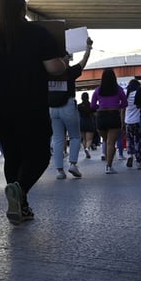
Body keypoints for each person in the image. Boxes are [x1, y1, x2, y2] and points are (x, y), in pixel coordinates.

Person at [0, 0, 66, 225]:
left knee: (12, 155)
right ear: (23, 8)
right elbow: (54, 68)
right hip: (29, 103)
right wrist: (63, 61)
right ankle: (19, 190)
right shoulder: (39, 34)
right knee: (40, 154)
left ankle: (20, 207)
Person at [49, 36, 92, 179]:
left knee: (58, 139)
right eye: (67, 57)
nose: (69, 59)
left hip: (52, 109)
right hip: (68, 106)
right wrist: (88, 48)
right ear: (64, 60)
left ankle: (59, 170)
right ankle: (73, 164)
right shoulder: (70, 72)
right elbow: (83, 62)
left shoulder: (48, 73)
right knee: (74, 136)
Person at [91, 68, 126, 174]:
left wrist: (101, 107)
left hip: (101, 117)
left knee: (107, 141)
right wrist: (116, 106)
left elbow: (92, 105)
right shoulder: (118, 89)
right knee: (111, 143)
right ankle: (109, 166)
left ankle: (109, 161)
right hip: (114, 115)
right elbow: (125, 103)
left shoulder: (98, 90)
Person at [123, 78, 141, 170]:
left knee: (130, 140)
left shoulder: (126, 94)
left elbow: (123, 108)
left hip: (128, 121)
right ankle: (138, 161)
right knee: (139, 141)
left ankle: (130, 155)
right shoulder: (139, 93)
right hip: (138, 121)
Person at [77, 91, 96, 159]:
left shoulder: (79, 106)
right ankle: (87, 148)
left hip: (81, 122)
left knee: (84, 139)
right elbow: (95, 114)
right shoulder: (91, 105)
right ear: (88, 97)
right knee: (89, 139)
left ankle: (86, 151)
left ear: (81, 98)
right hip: (89, 122)